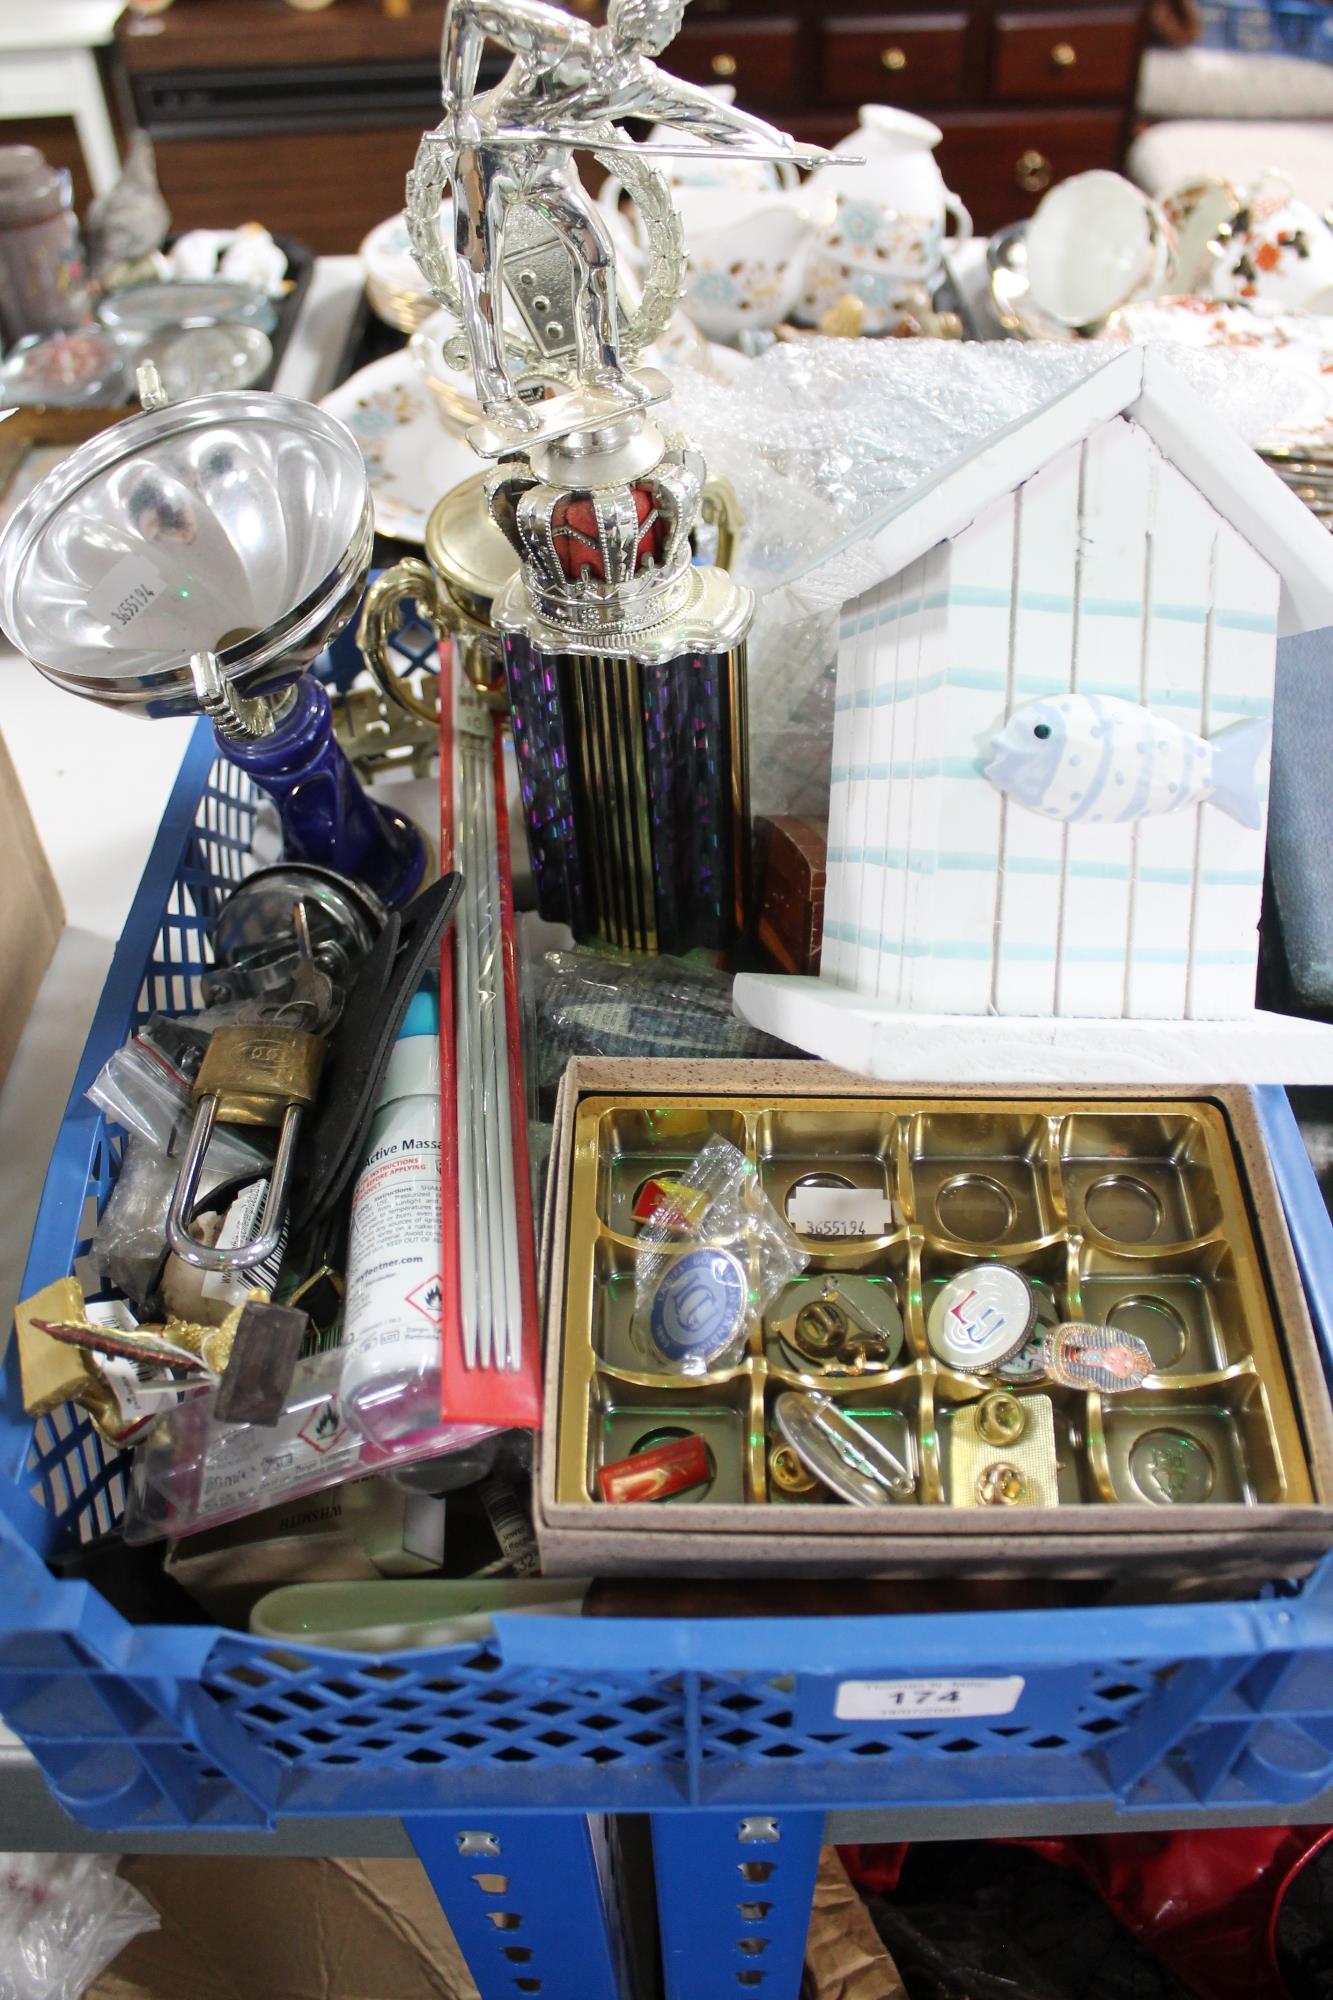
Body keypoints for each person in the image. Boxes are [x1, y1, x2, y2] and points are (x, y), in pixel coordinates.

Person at [436, 0, 820, 428]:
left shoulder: (637, 80)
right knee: (480, 269)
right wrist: (459, 108)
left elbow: (710, 116)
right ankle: (497, 392)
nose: (671, 30)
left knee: (596, 256)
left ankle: (601, 369)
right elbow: (469, 9)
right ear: (640, 16)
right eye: (669, 18)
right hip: (489, 155)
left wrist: (786, 146)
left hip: (548, 168)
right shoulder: (562, 39)